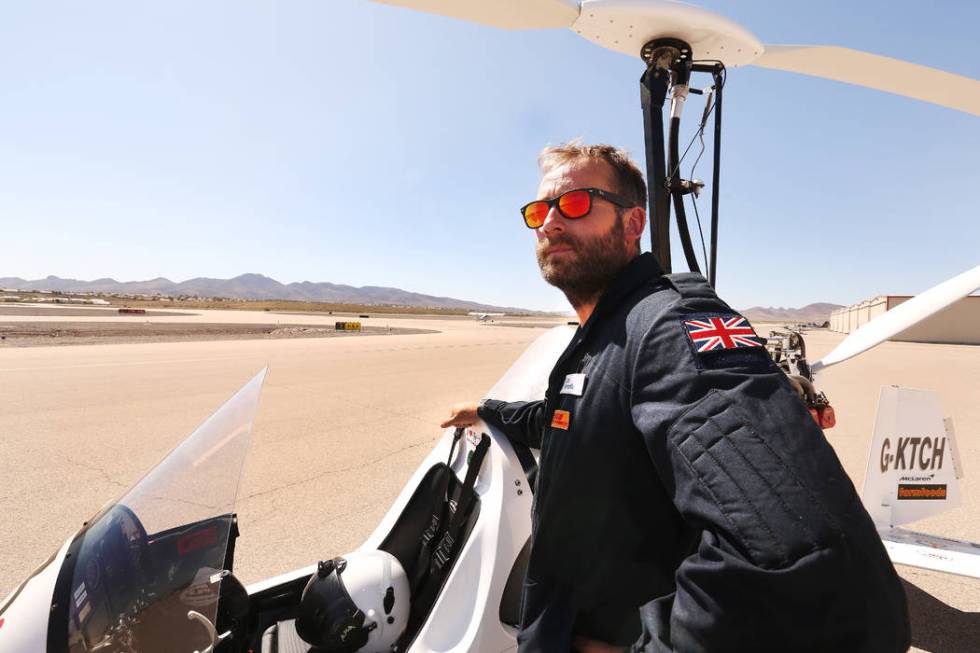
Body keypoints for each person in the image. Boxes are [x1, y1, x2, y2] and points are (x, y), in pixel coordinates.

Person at [441, 142, 910, 653]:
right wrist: (489, 411)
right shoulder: (608, 334)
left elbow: (807, 566)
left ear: (633, 222)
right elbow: (574, 420)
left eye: (575, 203)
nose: (550, 223)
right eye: (539, 210)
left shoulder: (670, 327)